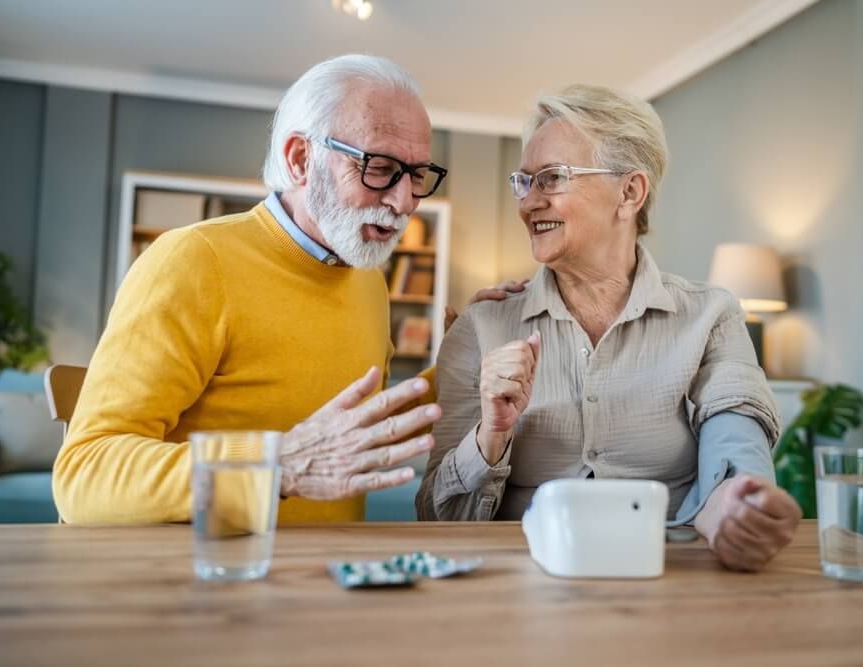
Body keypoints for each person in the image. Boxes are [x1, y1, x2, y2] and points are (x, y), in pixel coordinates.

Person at [53, 55, 519, 525]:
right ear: (301, 158)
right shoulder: (193, 262)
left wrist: (465, 357)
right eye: (379, 168)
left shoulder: (368, 280)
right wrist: (274, 466)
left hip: (334, 583)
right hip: (210, 585)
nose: (404, 202)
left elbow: (357, 433)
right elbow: (84, 475)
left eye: (417, 175)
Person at [417, 85, 801, 572]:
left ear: (630, 192)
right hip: (523, 583)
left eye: (552, 179)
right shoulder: (481, 326)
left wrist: (733, 504)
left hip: (669, 576)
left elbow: (734, 427)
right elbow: (434, 514)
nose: (528, 203)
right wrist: (489, 436)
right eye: (525, 181)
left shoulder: (710, 315)